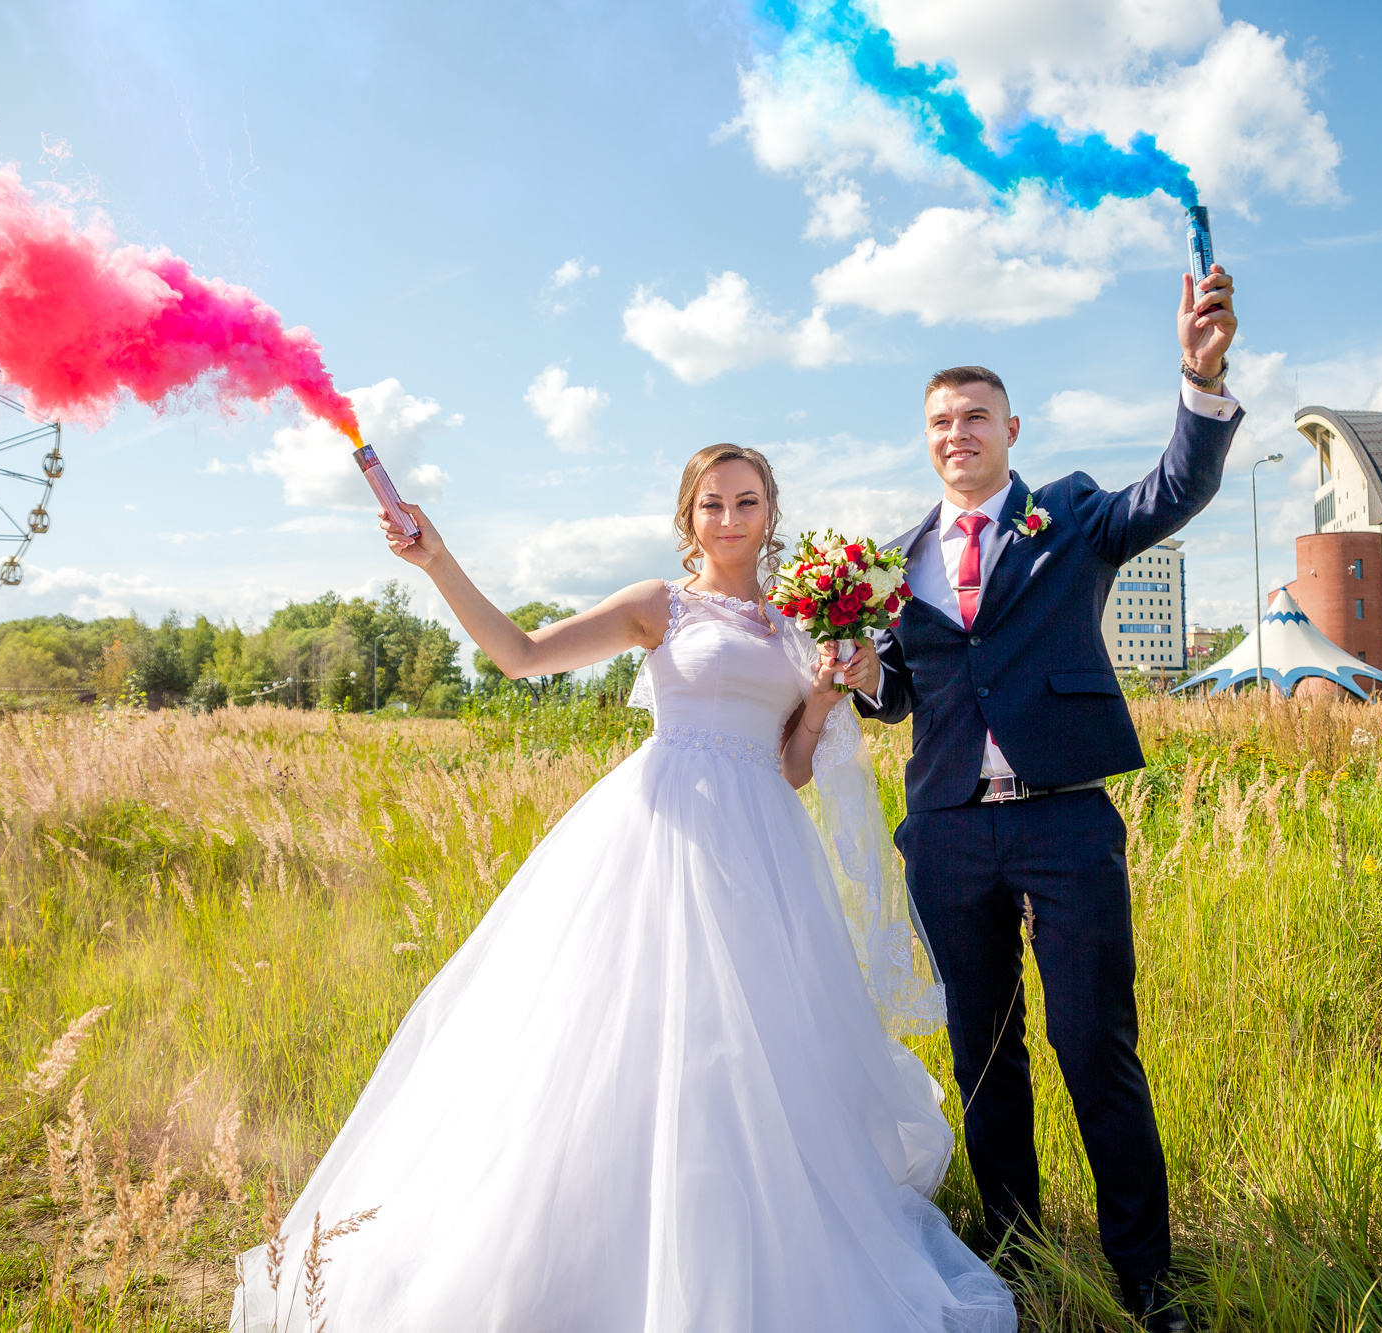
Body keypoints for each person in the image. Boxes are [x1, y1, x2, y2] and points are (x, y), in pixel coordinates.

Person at [230, 443, 1014, 1333]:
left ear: (770, 512)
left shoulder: (799, 621)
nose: (729, 517)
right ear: (688, 517)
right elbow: (520, 654)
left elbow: (792, 766)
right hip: (658, 834)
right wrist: (437, 559)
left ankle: (729, 1249)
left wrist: (828, 695)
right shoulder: (659, 606)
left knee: (743, 1054)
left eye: (746, 501)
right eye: (711, 503)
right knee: (618, 1038)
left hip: (761, 851)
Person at [855, 265, 1242, 1332]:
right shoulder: (892, 563)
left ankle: (1147, 1279)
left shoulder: (1066, 515)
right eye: (938, 421)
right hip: (943, 832)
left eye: (974, 416)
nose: (955, 433)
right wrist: (855, 671)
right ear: (923, 437)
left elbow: (1171, 491)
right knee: (983, 1051)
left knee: (1091, 1042)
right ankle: (1014, 1254)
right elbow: (894, 697)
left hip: (1063, 818)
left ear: (1009, 428)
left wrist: (1197, 380)